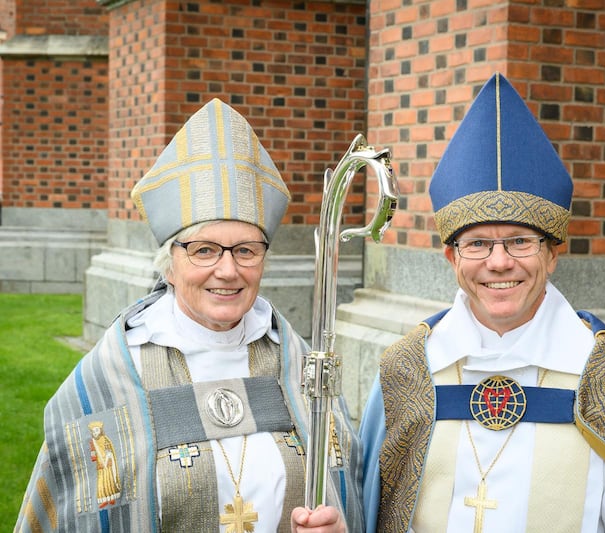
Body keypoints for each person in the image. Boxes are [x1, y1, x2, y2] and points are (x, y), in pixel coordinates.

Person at [359, 73, 605, 532]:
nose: (499, 262)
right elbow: (369, 506)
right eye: (478, 243)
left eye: (520, 242)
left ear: (551, 254)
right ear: (451, 257)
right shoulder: (408, 369)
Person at [15, 98, 362, 533]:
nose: (228, 269)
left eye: (246, 251)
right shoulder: (116, 377)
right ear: (169, 264)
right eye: (204, 250)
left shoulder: (299, 368)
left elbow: (346, 487)